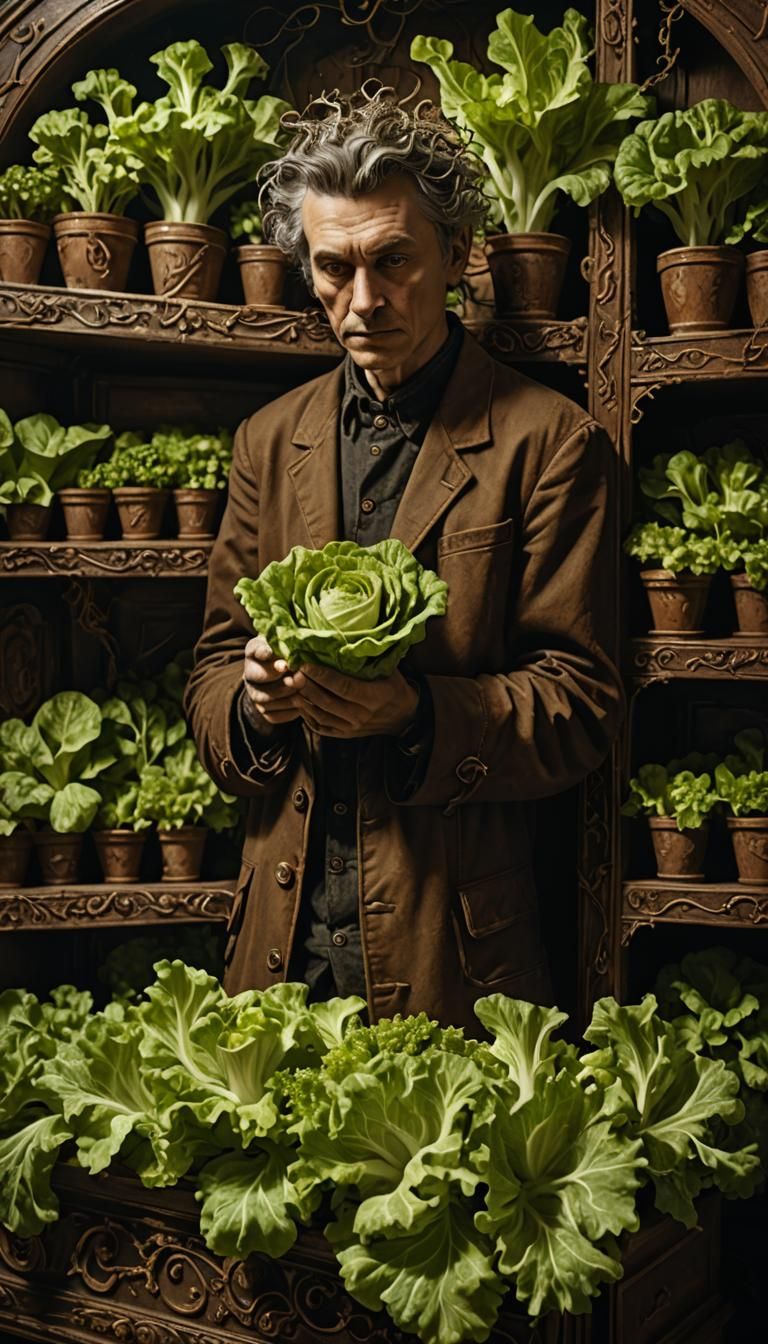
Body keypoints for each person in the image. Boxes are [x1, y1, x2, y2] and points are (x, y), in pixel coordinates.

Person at [184, 84, 624, 1031]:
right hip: (277, 950)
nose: (364, 300)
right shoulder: (270, 439)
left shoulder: (550, 442)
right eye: (334, 268)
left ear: (457, 255)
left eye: (394, 261)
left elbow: (582, 705)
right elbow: (211, 672)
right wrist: (252, 703)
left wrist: (416, 713)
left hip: (453, 956)